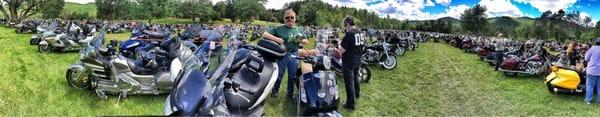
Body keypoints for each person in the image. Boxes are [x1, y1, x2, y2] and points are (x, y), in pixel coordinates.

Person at [263, 9, 308, 98]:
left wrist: (301, 40)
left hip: (294, 54)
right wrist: (276, 39)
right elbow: (264, 34)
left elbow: (306, 41)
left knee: (292, 75)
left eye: (292, 17)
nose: (289, 19)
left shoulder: (299, 29)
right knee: (279, 74)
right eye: (287, 18)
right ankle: (275, 91)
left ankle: (290, 93)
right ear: (284, 19)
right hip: (282, 54)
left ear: (295, 19)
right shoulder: (279, 29)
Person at [337, 16, 364, 110]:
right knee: (356, 77)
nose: (345, 27)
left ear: (348, 24)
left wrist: (336, 49)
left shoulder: (349, 34)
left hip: (349, 60)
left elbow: (342, 50)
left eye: (345, 25)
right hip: (358, 59)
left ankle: (350, 103)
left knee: (349, 82)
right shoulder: (360, 32)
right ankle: (357, 94)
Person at [584, 38, 600, 105]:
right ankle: (599, 101)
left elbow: (586, 58)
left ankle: (588, 101)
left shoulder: (592, 49)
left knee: (590, 86)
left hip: (592, 71)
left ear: (596, 42)